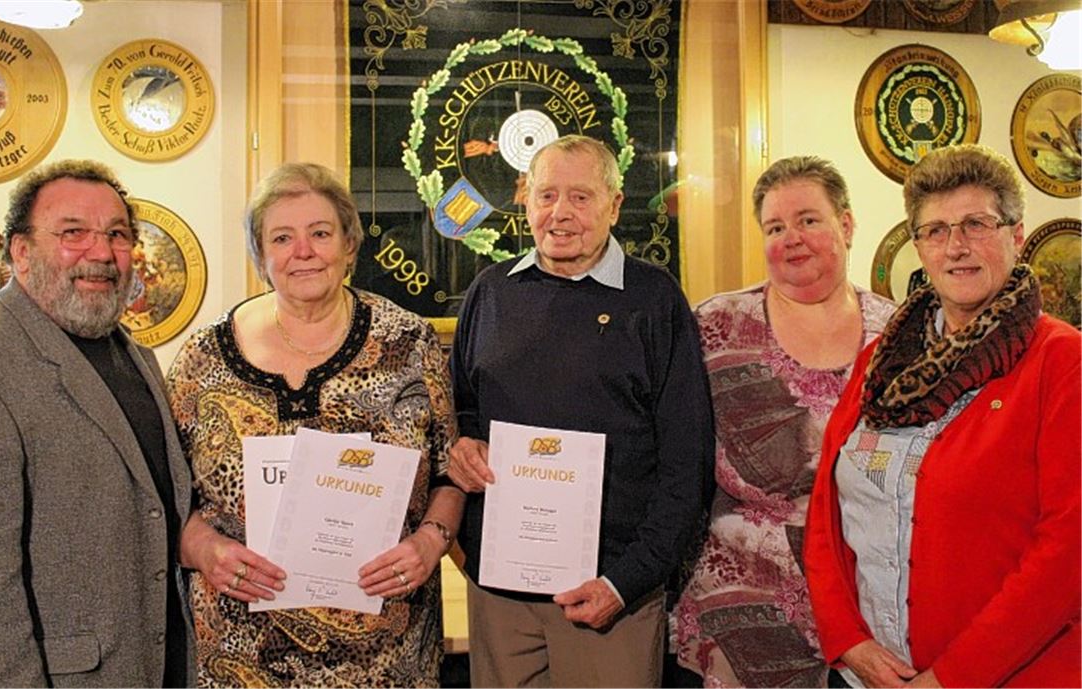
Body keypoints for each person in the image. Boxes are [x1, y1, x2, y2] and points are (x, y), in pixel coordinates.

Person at [166, 162, 464, 687]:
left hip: (387, 655)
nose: (302, 251)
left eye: (320, 233)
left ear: (349, 246)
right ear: (261, 256)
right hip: (241, 655)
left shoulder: (409, 342)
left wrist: (431, 541)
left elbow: (450, 472)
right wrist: (202, 550)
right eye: (282, 237)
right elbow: (163, 495)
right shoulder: (203, 358)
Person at [805, 144, 1081, 688]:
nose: (956, 247)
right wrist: (848, 640)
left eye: (976, 224)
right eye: (935, 230)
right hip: (869, 674)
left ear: (1016, 235)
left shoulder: (1061, 360)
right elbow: (825, 509)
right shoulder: (881, 359)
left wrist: (950, 678)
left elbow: (1067, 553)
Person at [448, 134, 715, 687]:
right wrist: (464, 446)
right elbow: (462, 413)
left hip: (608, 597)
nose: (560, 214)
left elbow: (687, 463)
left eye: (581, 197)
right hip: (500, 597)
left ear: (614, 205)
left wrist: (628, 581)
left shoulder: (655, 299)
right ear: (525, 200)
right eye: (546, 195)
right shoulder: (490, 292)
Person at [0, 159, 195, 687]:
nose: (101, 254)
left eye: (117, 235)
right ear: (21, 252)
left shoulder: (136, 355)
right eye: (73, 233)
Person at [671, 156, 895, 687]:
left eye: (808, 220)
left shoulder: (898, 332)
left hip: (865, 607)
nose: (792, 238)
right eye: (775, 227)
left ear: (846, 223)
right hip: (739, 610)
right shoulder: (714, 325)